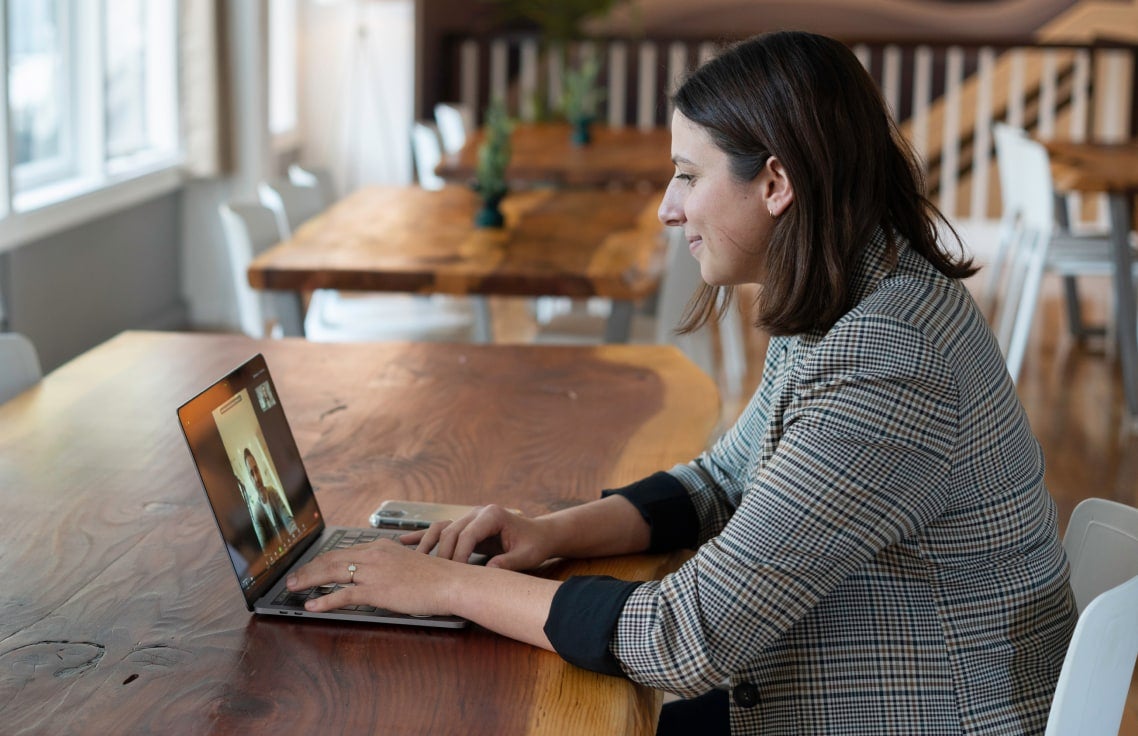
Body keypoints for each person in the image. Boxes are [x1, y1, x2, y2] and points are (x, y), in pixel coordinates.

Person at [286, 30, 1077, 735]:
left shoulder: (892, 357)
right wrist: (550, 532)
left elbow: (684, 638)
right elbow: (722, 480)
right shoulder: (855, 296)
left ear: (775, 183)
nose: (668, 208)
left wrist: (444, 588)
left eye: (687, 175)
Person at [244, 447, 297, 551]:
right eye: (251, 473)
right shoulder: (256, 513)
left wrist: (297, 533)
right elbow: (265, 549)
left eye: (256, 470)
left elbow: (288, 520)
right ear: (249, 479)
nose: (256, 477)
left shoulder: (272, 492)